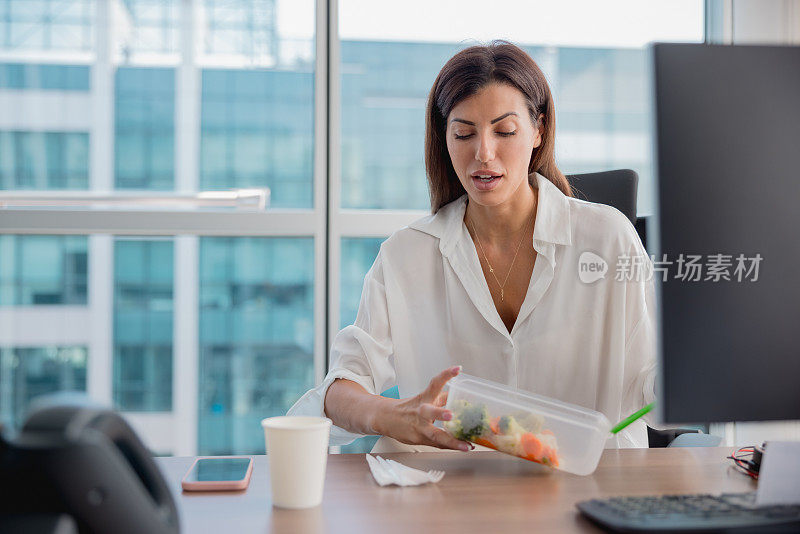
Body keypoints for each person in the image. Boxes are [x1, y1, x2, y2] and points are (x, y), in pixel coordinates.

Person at [288, 40, 656, 452]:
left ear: (539, 129)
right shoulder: (406, 255)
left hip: (589, 491)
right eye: (464, 133)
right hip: (449, 494)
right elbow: (339, 390)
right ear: (444, 139)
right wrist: (391, 417)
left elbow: (652, 384)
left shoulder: (608, 238)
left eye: (505, 131)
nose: (483, 152)